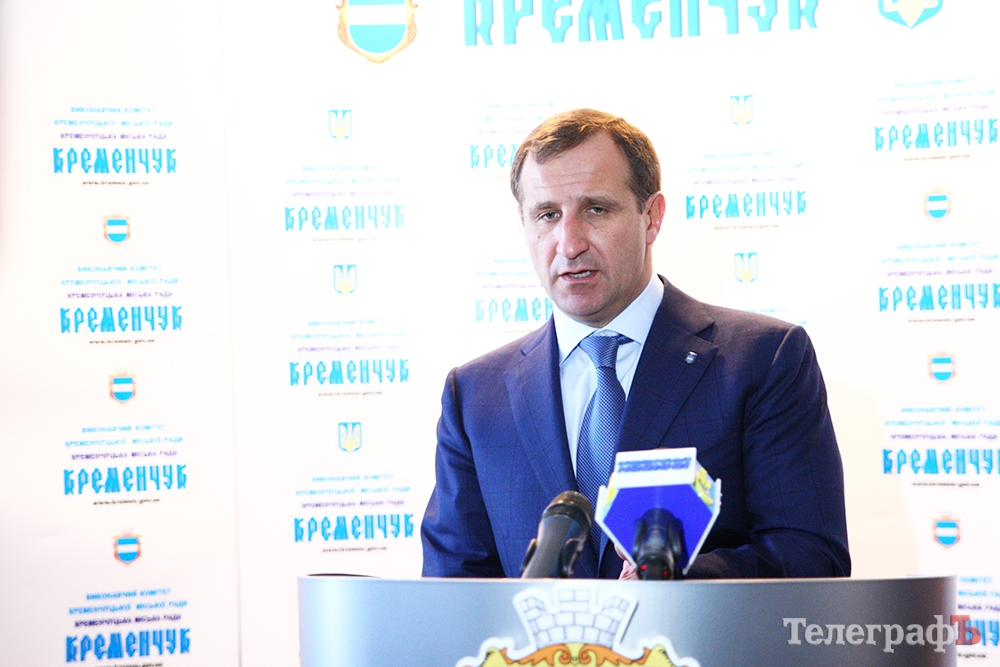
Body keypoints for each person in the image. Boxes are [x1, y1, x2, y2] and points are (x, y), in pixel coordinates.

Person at [421, 109, 850, 579]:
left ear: (652, 218)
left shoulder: (763, 360)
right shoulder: (475, 396)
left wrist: (673, 581)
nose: (569, 244)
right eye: (547, 215)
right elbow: (452, 591)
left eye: (596, 210)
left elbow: (812, 558)